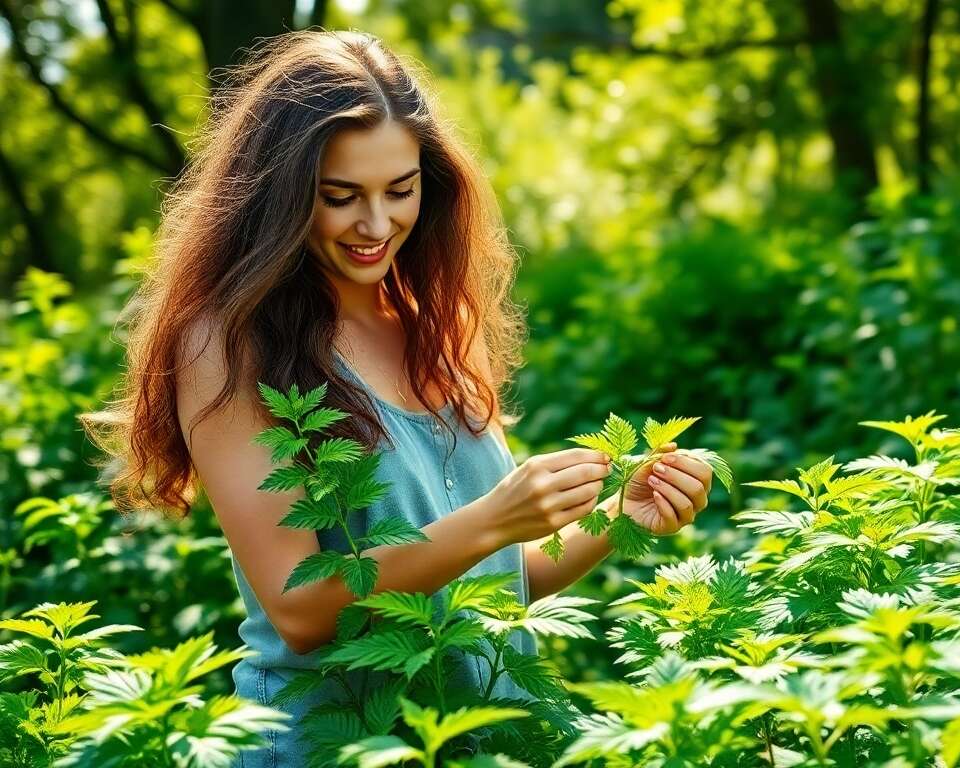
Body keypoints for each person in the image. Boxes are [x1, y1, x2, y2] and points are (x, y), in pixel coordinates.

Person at [80, 29, 715, 767]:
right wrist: (492, 520)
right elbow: (300, 610)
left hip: (478, 737)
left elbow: (498, 582)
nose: (376, 226)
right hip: (333, 741)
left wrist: (619, 515)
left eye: (400, 190)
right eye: (339, 197)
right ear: (279, 196)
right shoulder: (229, 345)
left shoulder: (437, 326)